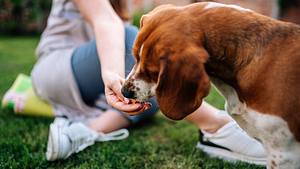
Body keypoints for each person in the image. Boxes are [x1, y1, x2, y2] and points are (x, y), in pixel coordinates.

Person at [2, 0, 266, 164]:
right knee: (134, 41)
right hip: (56, 68)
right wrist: (113, 75)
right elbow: (107, 22)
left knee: (145, 95)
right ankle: (214, 125)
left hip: (92, 75)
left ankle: (81, 132)